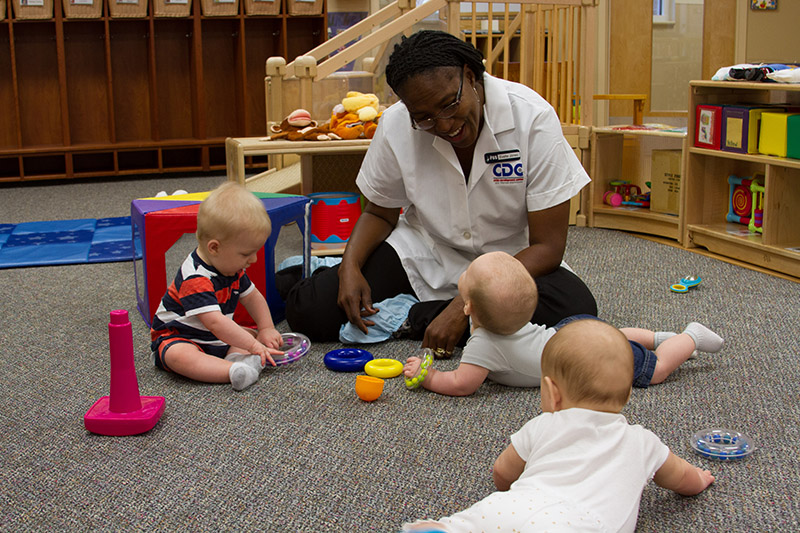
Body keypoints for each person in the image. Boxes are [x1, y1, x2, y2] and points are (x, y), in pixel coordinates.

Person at [283, 30, 597, 355]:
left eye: (449, 104)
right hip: (427, 251)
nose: (445, 125)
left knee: (574, 311)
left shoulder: (533, 118)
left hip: (509, 260)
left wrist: (464, 305)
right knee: (311, 311)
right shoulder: (395, 124)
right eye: (424, 118)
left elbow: (547, 246)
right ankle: (314, 270)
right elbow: (380, 212)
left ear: (470, 76)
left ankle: (410, 316)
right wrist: (350, 266)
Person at [402, 318, 715, 532]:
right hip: (581, 524)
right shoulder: (643, 442)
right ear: (629, 392)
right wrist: (700, 478)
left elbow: (502, 474)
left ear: (552, 393)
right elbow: (682, 479)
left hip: (515, 506)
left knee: (473, 522)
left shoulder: (543, 424)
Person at [403, 251, 724, 396]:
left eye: (466, 276)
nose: (462, 276)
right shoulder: (507, 320)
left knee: (654, 371)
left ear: (468, 307)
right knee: (608, 333)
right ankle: (656, 336)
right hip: (565, 330)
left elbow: (462, 383)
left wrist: (429, 377)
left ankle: (689, 337)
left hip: (585, 359)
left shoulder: (483, 343)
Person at [150, 182, 284, 391]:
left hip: (215, 337)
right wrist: (254, 347)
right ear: (214, 248)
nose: (254, 259)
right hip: (181, 337)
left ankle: (235, 359)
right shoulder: (194, 277)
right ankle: (230, 371)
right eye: (245, 254)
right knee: (178, 356)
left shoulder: (232, 269)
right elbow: (214, 322)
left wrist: (266, 328)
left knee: (250, 334)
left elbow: (253, 297)